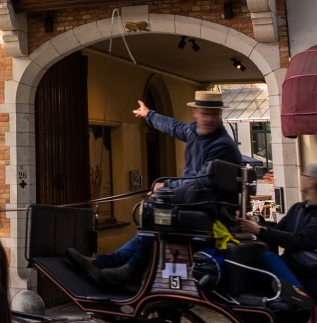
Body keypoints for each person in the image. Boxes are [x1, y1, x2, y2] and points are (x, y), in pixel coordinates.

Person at [68, 90, 241, 287]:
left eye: (213, 115)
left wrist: (166, 188)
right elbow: (174, 127)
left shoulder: (222, 145)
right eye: (204, 113)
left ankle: (129, 269)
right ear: (196, 113)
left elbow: (201, 182)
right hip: (196, 200)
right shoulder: (194, 131)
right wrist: (148, 115)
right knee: (154, 210)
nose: (209, 119)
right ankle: (112, 264)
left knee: (153, 212)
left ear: (219, 116)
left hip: (208, 206)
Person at [236, 163, 317, 300]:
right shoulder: (297, 208)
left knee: (268, 257)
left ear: (313, 182)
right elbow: (276, 232)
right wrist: (255, 226)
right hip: (292, 267)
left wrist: (260, 230)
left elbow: (299, 239)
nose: (300, 177)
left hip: (312, 273)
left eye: (304, 175)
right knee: (267, 257)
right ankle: (294, 292)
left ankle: (297, 294)